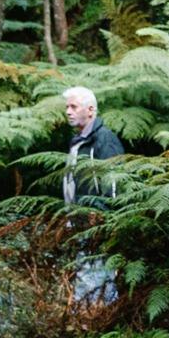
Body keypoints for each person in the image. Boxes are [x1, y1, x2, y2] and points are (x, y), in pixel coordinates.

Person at [60, 86, 123, 308]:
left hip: (97, 226)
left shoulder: (104, 141)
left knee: (97, 277)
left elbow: (114, 186)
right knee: (87, 274)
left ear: (90, 110)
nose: (68, 112)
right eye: (67, 107)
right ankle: (90, 317)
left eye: (74, 107)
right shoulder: (78, 141)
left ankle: (94, 318)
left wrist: (107, 223)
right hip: (80, 224)